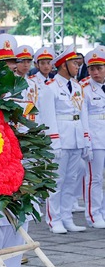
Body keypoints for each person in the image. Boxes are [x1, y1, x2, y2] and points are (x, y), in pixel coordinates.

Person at [38, 45, 90, 233]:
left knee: (72, 179)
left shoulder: (77, 86)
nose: (78, 67)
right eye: (74, 63)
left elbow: (82, 114)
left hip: (76, 138)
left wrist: (86, 140)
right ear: (63, 65)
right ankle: (55, 219)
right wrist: (54, 141)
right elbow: (48, 117)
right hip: (60, 138)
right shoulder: (50, 88)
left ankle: (67, 217)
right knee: (57, 181)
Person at [82, 46, 105, 228]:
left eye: (100, 68)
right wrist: (86, 140)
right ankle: (93, 214)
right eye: (92, 69)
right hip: (96, 138)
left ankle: (103, 211)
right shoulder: (84, 88)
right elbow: (82, 116)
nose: (96, 72)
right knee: (94, 178)